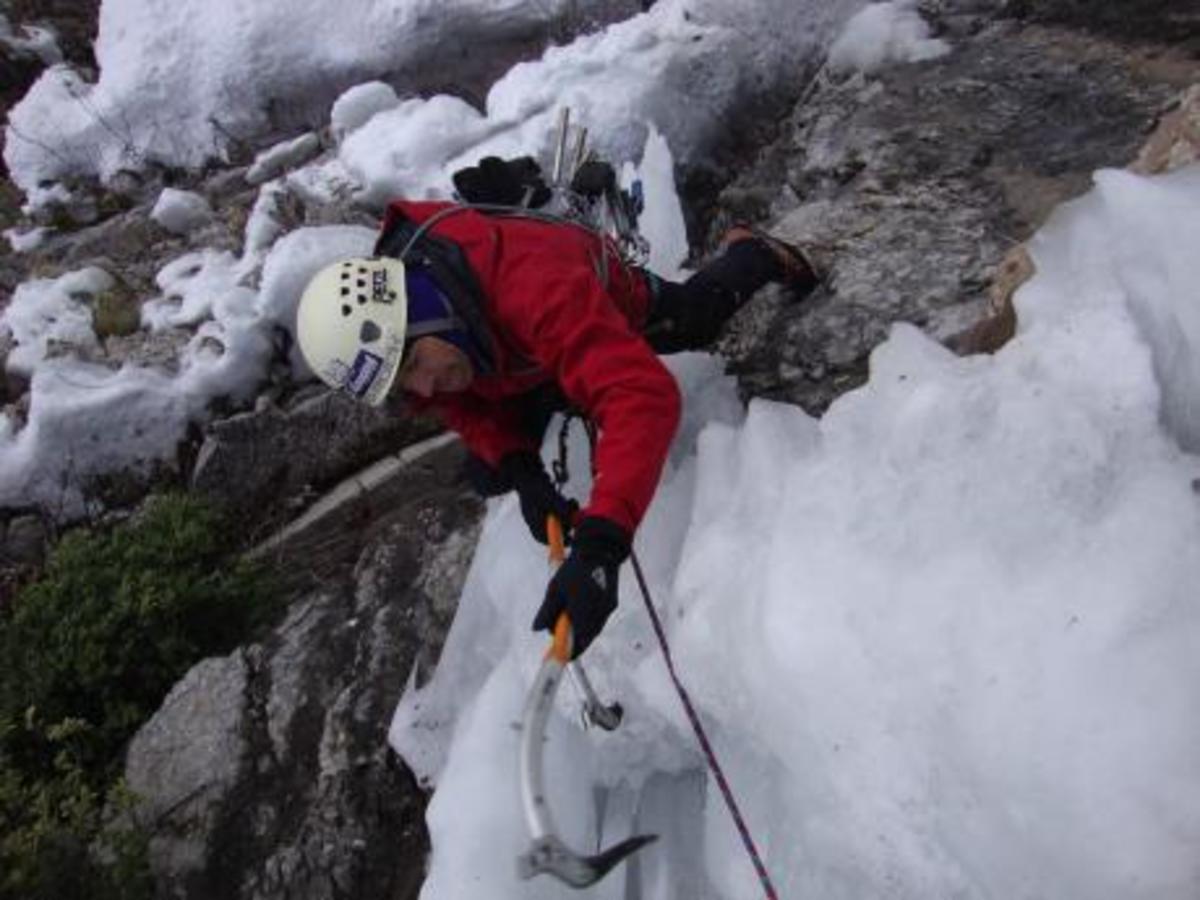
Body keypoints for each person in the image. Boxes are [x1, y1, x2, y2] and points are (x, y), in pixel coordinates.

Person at [294, 188, 819, 658]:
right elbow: (461, 404)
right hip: (508, 350)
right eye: (403, 386)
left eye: (411, 366)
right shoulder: (425, 325)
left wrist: (602, 543)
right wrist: (520, 468)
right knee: (487, 467)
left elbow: (642, 395)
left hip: (596, 296)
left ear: (428, 311)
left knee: (692, 318)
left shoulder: (532, 288)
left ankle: (751, 251)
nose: (423, 391)